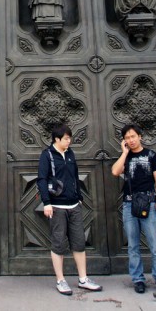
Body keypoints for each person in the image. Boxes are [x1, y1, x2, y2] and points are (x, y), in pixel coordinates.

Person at [37, 124, 103, 296]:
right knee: (58, 244)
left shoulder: (70, 153)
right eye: (66, 138)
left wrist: (79, 197)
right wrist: (46, 202)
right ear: (57, 139)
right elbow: (42, 179)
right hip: (57, 206)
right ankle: (61, 280)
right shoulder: (47, 155)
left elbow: (75, 175)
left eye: (69, 138)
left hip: (74, 205)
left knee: (79, 242)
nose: (69, 141)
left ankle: (83, 279)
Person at [111, 124, 156, 296]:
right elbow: (115, 171)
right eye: (127, 138)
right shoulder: (126, 157)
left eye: (133, 136)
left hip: (149, 203)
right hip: (129, 204)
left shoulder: (151, 155)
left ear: (140, 136)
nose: (131, 140)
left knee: (155, 245)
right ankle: (138, 279)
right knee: (133, 245)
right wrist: (124, 153)